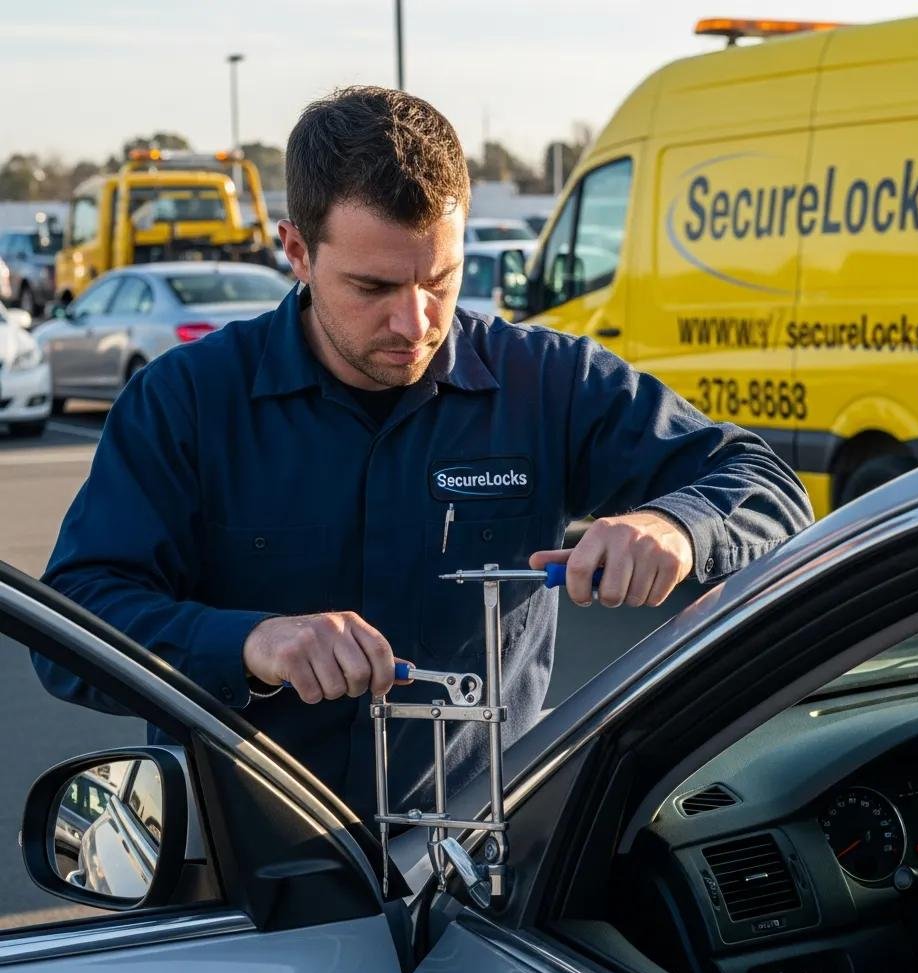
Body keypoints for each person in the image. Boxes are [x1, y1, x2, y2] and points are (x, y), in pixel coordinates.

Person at [34, 87, 813, 820]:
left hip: (486, 873)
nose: (415, 322)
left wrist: (675, 527)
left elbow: (767, 486)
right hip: (249, 882)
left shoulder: (543, 381)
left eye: (441, 279)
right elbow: (74, 626)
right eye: (373, 288)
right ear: (296, 251)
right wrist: (249, 642)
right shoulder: (185, 402)